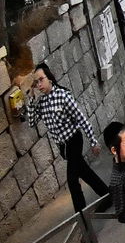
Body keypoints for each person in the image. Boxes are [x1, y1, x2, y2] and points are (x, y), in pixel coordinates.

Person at [22, 63, 107, 214]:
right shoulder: (41, 104)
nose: (39, 84)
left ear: (50, 78)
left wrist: (93, 141)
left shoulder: (63, 96)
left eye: (41, 80)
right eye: (36, 82)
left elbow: (82, 119)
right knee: (84, 172)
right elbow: (31, 123)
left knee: (72, 181)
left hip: (74, 140)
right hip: (63, 147)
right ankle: (108, 195)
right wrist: (31, 100)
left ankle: (82, 219)